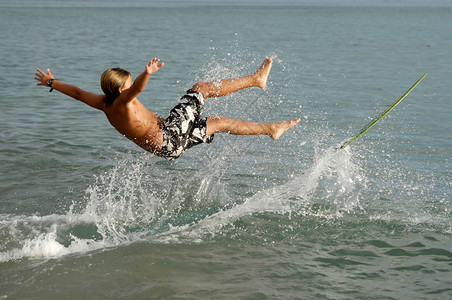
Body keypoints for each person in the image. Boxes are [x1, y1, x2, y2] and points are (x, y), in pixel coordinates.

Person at [34, 57, 300, 160]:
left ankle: (272, 129)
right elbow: (137, 89)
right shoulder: (124, 103)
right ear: (120, 89)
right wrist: (146, 73)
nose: (130, 86)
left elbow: (79, 94)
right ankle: (256, 80)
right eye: (126, 84)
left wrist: (52, 82)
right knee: (201, 88)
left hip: (167, 146)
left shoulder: (105, 104)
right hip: (169, 136)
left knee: (218, 122)